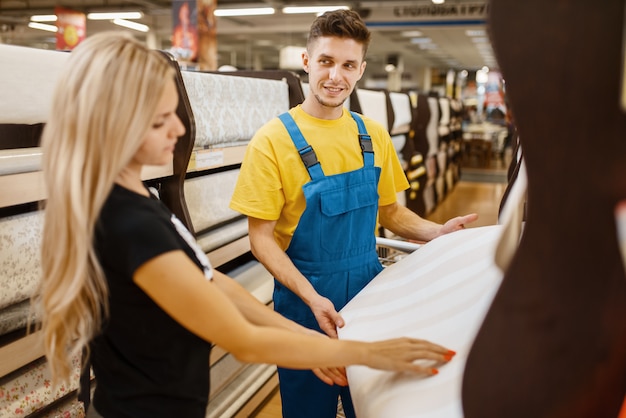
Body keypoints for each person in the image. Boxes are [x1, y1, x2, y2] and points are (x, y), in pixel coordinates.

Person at [33, 32, 456, 418]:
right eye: (162, 119)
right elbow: (242, 338)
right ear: (114, 122)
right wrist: (369, 353)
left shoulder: (140, 199)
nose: (180, 129)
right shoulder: (127, 223)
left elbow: (210, 281)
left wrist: (316, 343)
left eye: (349, 65)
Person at [229, 9, 477, 418]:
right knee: (310, 409)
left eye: (347, 65)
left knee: (375, 405)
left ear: (360, 70)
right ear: (307, 62)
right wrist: (312, 298)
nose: (335, 76)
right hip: (305, 302)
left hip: (370, 293)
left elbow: (392, 212)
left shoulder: (372, 135)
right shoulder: (272, 141)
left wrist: (437, 232)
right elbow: (260, 239)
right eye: (325, 61)